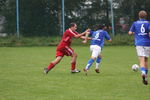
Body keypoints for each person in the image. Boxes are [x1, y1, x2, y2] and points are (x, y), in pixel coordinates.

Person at [128, 10, 150, 85]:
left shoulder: (135, 23)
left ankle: (143, 72)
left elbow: (130, 33)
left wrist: (135, 32)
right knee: (146, 60)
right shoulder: (148, 23)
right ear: (145, 16)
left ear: (139, 16)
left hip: (139, 43)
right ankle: (145, 77)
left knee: (141, 59)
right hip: (147, 43)